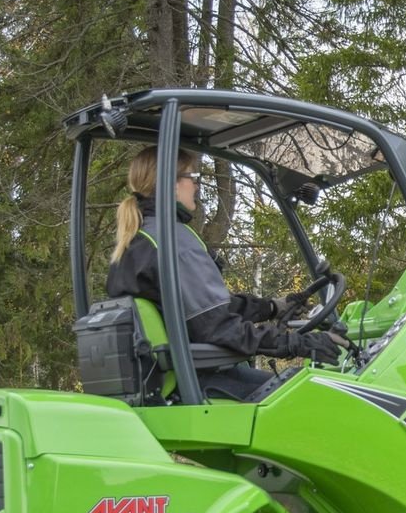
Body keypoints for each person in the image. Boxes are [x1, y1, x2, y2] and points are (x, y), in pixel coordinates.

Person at [106, 146, 345, 402]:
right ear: (172, 185)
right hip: (201, 381)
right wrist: (299, 344)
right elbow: (218, 327)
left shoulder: (140, 240)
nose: (196, 187)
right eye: (192, 178)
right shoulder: (175, 242)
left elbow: (203, 311)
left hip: (174, 379)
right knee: (320, 397)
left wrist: (272, 307)